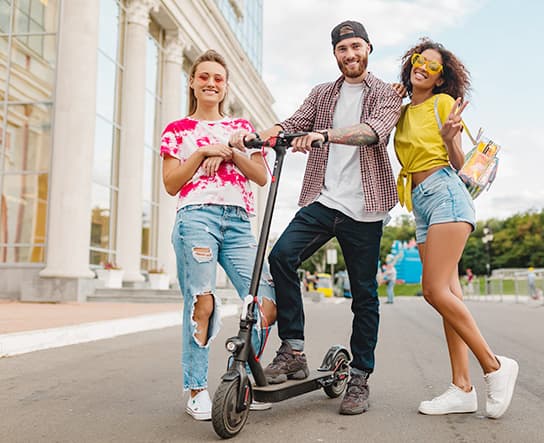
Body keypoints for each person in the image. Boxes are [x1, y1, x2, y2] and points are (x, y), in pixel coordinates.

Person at [236, 20, 402, 415]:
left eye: (356, 47)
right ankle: (293, 349)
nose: (350, 55)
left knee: (363, 295)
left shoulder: (385, 95)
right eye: (343, 49)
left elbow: (372, 132)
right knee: (281, 256)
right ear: (335, 54)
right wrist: (259, 133)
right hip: (324, 200)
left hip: (366, 208)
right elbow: (294, 123)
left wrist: (324, 135)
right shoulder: (322, 93)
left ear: (368, 49)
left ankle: (360, 376)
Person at [393, 38, 518, 419]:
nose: (423, 68)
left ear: (440, 77)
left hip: (446, 193)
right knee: (449, 295)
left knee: (433, 289)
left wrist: (450, 139)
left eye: (433, 66)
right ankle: (462, 387)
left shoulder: (442, 104)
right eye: (419, 60)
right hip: (422, 205)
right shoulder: (399, 112)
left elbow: (463, 167)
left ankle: (495, 366)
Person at [160, 49, 277, 420]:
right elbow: (171, 183)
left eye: (218, 79)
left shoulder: (241, 131)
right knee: (202, 302)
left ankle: (236, 379)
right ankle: (196, 389)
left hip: (240, 221)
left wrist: (228, 152)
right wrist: (200, 153)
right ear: (192, 82)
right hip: (197, 218)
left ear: (225, 86)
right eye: (204, 77)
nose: (211, 83)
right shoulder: (177, 130)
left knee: (266, 303)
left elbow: (261, 177)